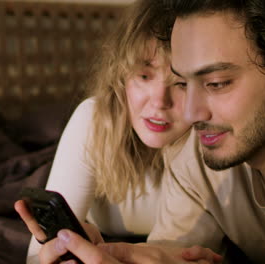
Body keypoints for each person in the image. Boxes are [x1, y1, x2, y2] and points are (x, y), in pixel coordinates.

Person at [23, 0, 265, 263]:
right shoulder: (198, 155)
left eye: (216, 83)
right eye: (187, 82)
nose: (189, 112)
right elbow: (171, 255)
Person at [15, 0, 193, 263]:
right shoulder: (95, 120)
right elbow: (35, 257)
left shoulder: (212, 141)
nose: (159, 101)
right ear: (121, 76)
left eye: (181, 83)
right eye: (144, 76)